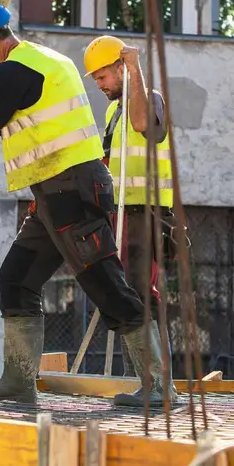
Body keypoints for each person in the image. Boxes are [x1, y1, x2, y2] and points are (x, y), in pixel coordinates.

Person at [0, 0, 173, 407]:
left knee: (108, 287)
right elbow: (9, 119)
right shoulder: (44, 60)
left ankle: (159, 387)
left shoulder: (14, 70)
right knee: (16, 277)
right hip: (57, 192)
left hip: (69, 192)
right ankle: (18, 380)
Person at [82, 35, 179, 398]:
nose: (99, 84)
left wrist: (136, 68)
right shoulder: (113, 111)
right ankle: (141, 378)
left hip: (146, 213)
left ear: (122, 68)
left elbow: (145, 125)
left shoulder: (148, 99)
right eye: (95, 79)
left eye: (103, 76)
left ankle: (157, 384)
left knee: (140, 293)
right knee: (126, 293)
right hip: (121, 213)